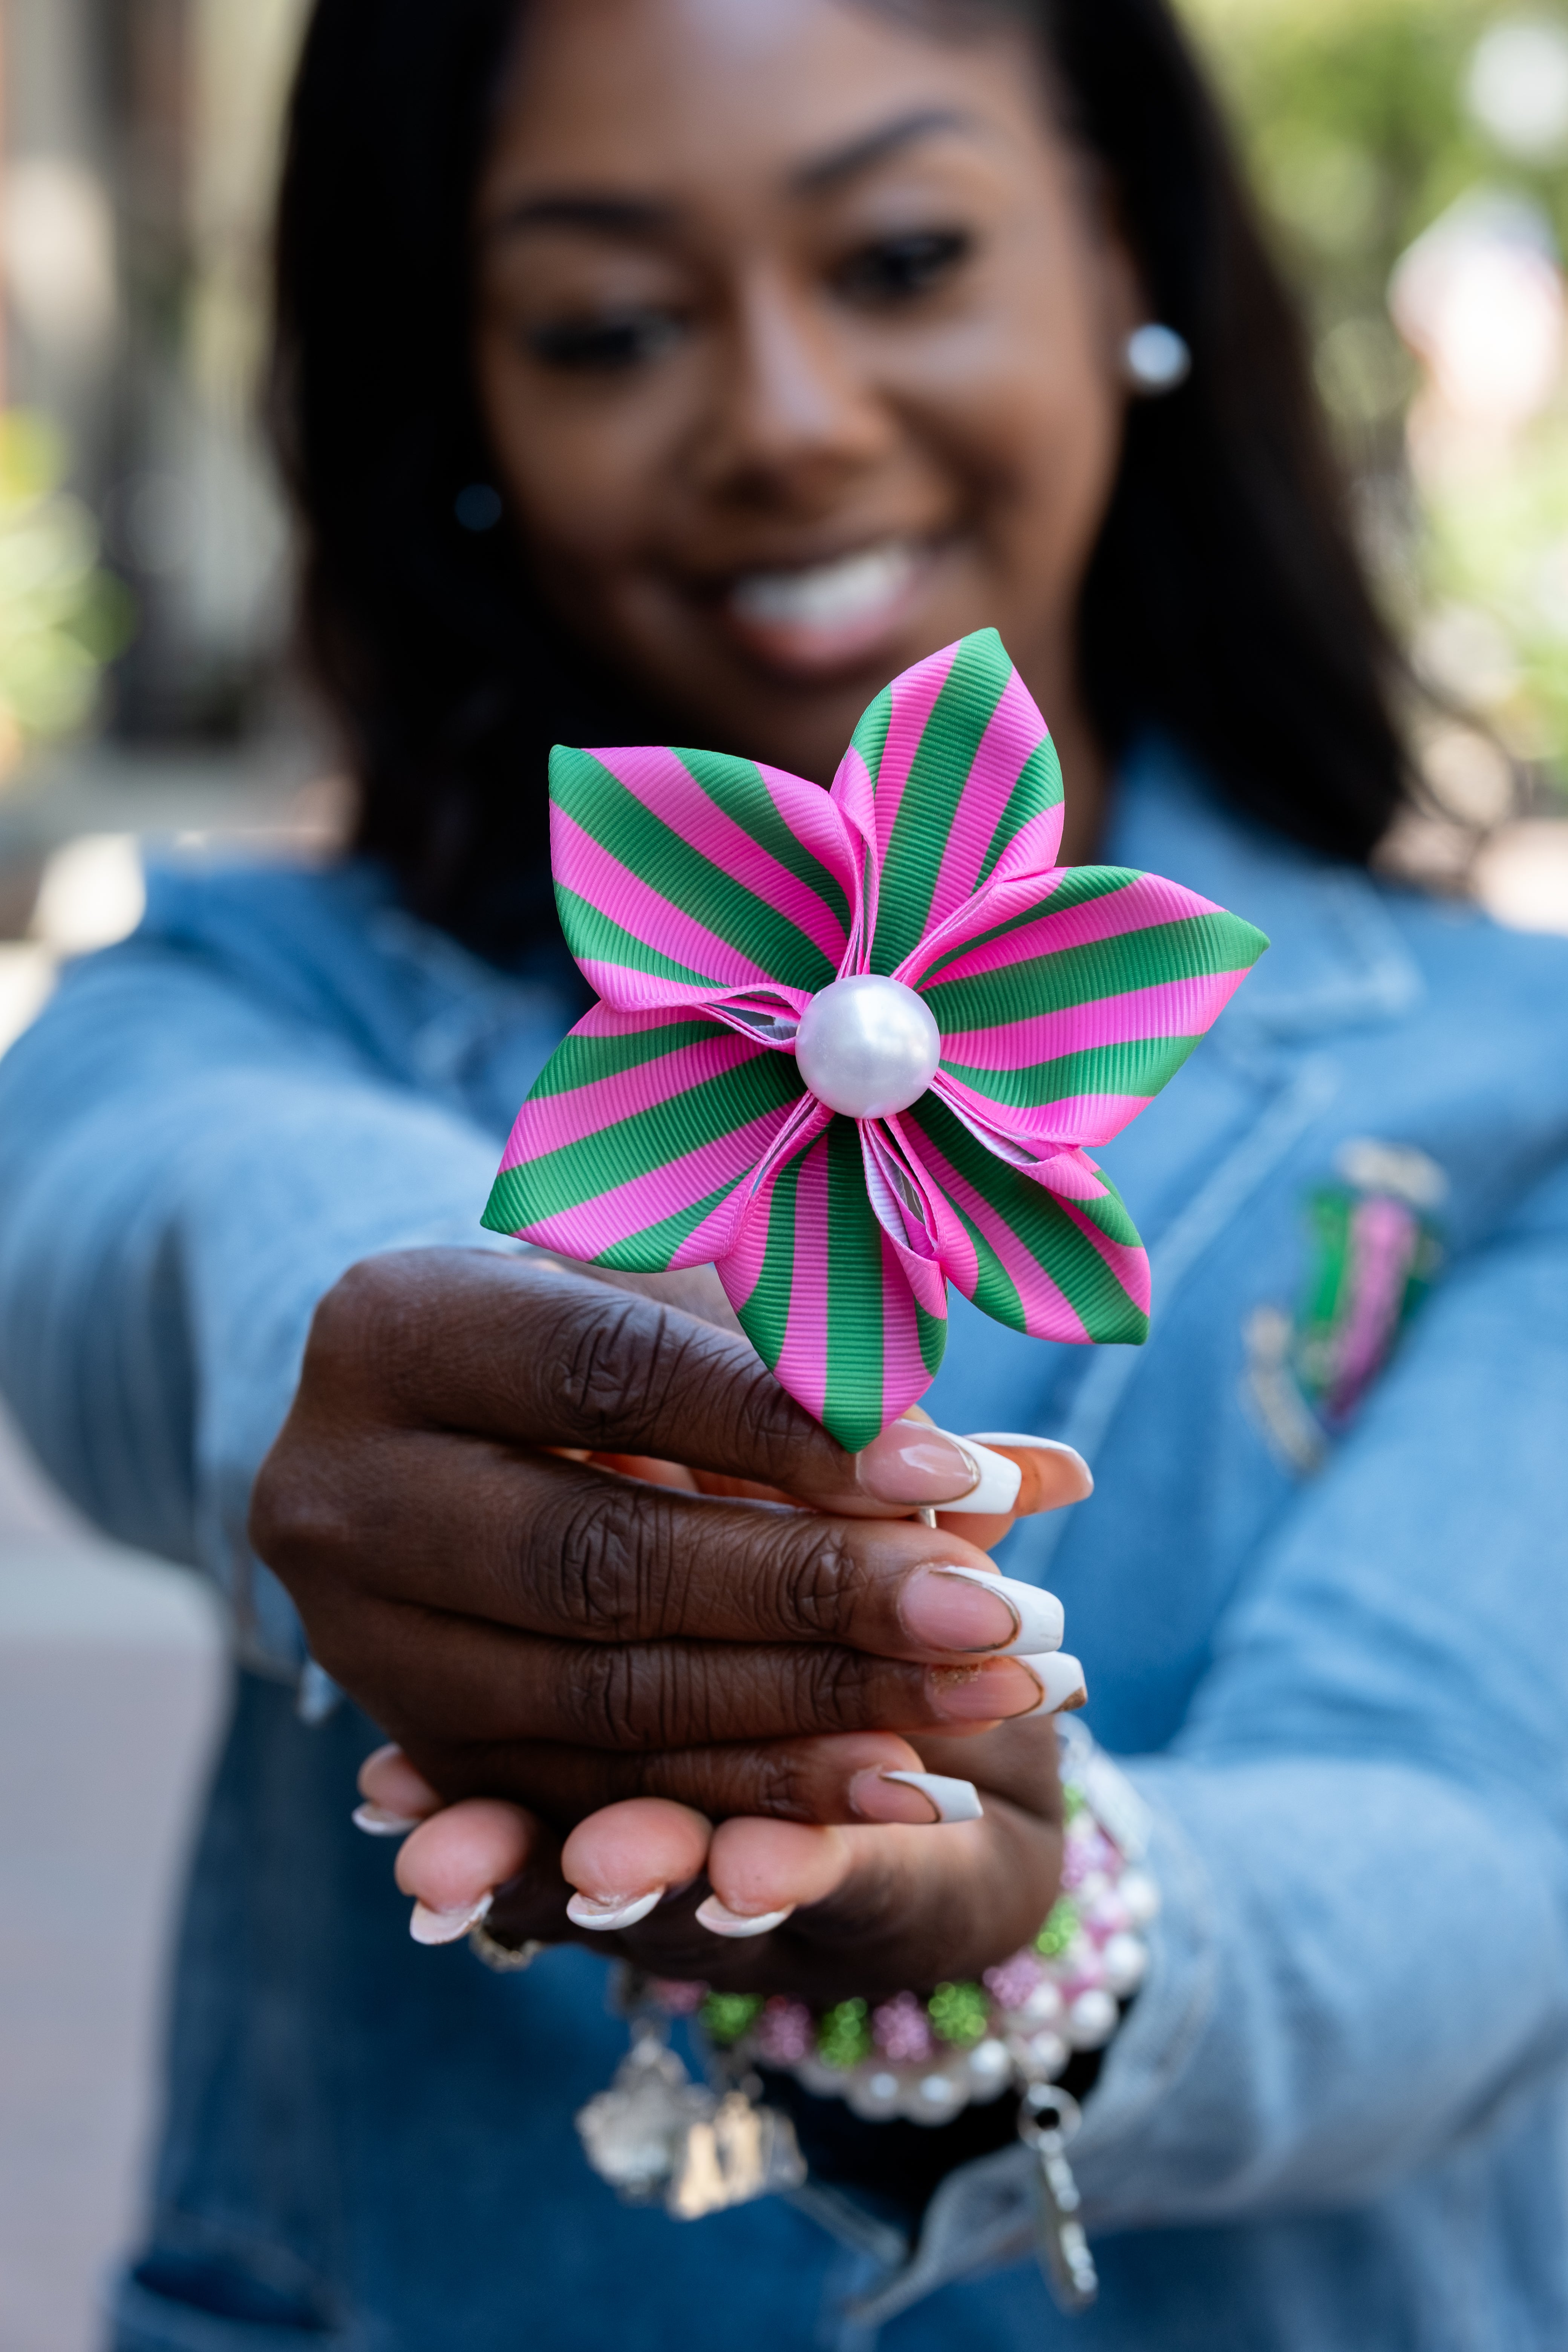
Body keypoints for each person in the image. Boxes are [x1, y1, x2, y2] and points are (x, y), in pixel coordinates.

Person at [2, 0, 1567, 2344]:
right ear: (467, 393)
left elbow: (1473, 1838)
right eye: (611, 322)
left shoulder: (1510, 1080)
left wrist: (1039, 1923)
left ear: (1120, 247)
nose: (787, 419)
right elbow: (163, 1217)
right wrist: (416, 1363)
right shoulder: (251, 990)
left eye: (904, 256)